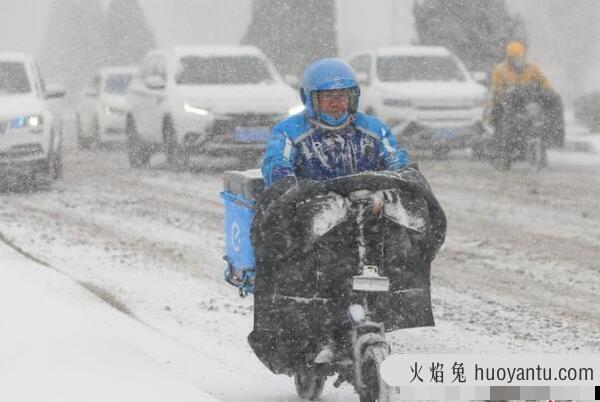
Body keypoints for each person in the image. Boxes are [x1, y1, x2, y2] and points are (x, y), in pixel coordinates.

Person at [262, 58, 411, 188]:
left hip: (369, 205)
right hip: (309, 206)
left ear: (353, 97)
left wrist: (400, 171)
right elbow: (278, 163)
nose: (336, 103)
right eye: (327, 96)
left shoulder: (375, 129)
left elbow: (395, 159)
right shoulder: (289, 131)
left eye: (342, 96)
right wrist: (286, 180)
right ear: (309, 98)